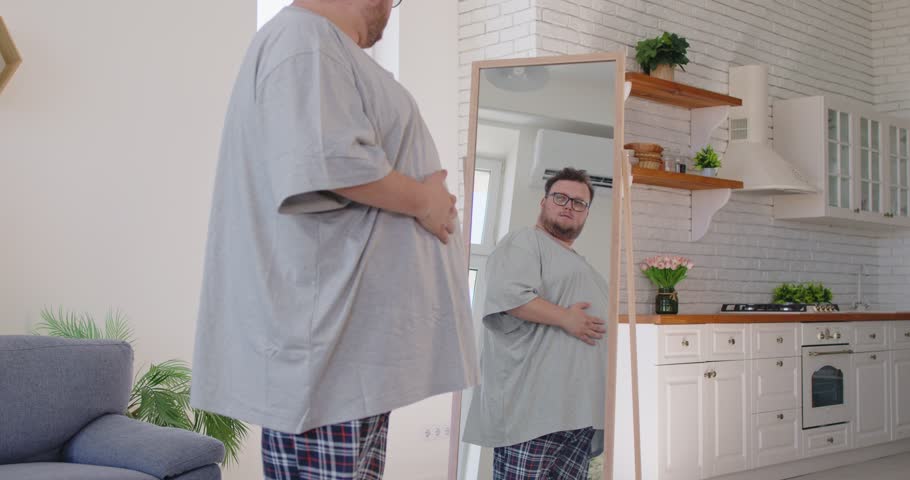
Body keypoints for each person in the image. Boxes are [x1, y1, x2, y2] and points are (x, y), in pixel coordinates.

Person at [189, 1, 478, 478]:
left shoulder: (320, 44)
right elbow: (324, 161)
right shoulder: (305, 39)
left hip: (348, 352)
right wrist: (425, 201)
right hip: (330, 356)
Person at [462, 168, 609, 480]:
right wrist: (566, 318)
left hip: (575, 413)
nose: (569, 206)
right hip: (533, 413)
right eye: (561, 198)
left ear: (586, 213)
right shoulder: (524, 241)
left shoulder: (578, 261)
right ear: (544, 202)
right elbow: (509, 296)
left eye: (579, 203)